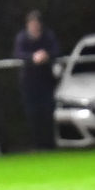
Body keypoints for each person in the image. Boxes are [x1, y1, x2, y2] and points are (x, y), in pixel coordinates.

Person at [12, 10, 60, 150]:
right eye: (32, 23)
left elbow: (57, 50)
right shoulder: (22, 37)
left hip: (46, 82)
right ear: (28, 24)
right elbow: (18, 53)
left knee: (48, 113)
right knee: (33, 115)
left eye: (36, 23)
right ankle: (37, 144)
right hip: (29, 84)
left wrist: (46, 55)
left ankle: (50, 145)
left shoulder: (48, 36)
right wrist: (33, 57)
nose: (34, 26)